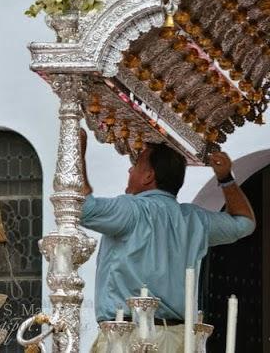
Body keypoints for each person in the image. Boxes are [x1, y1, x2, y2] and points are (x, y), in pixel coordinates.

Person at [79, 129, 256, 352]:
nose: (130, 169)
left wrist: (77, 151)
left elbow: (80, 207)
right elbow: (244, 222)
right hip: (178, 340)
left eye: (137, 164)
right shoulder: (194, 220)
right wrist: (226, 178)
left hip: (127, 338)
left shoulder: (131, 210)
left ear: (148, 176)